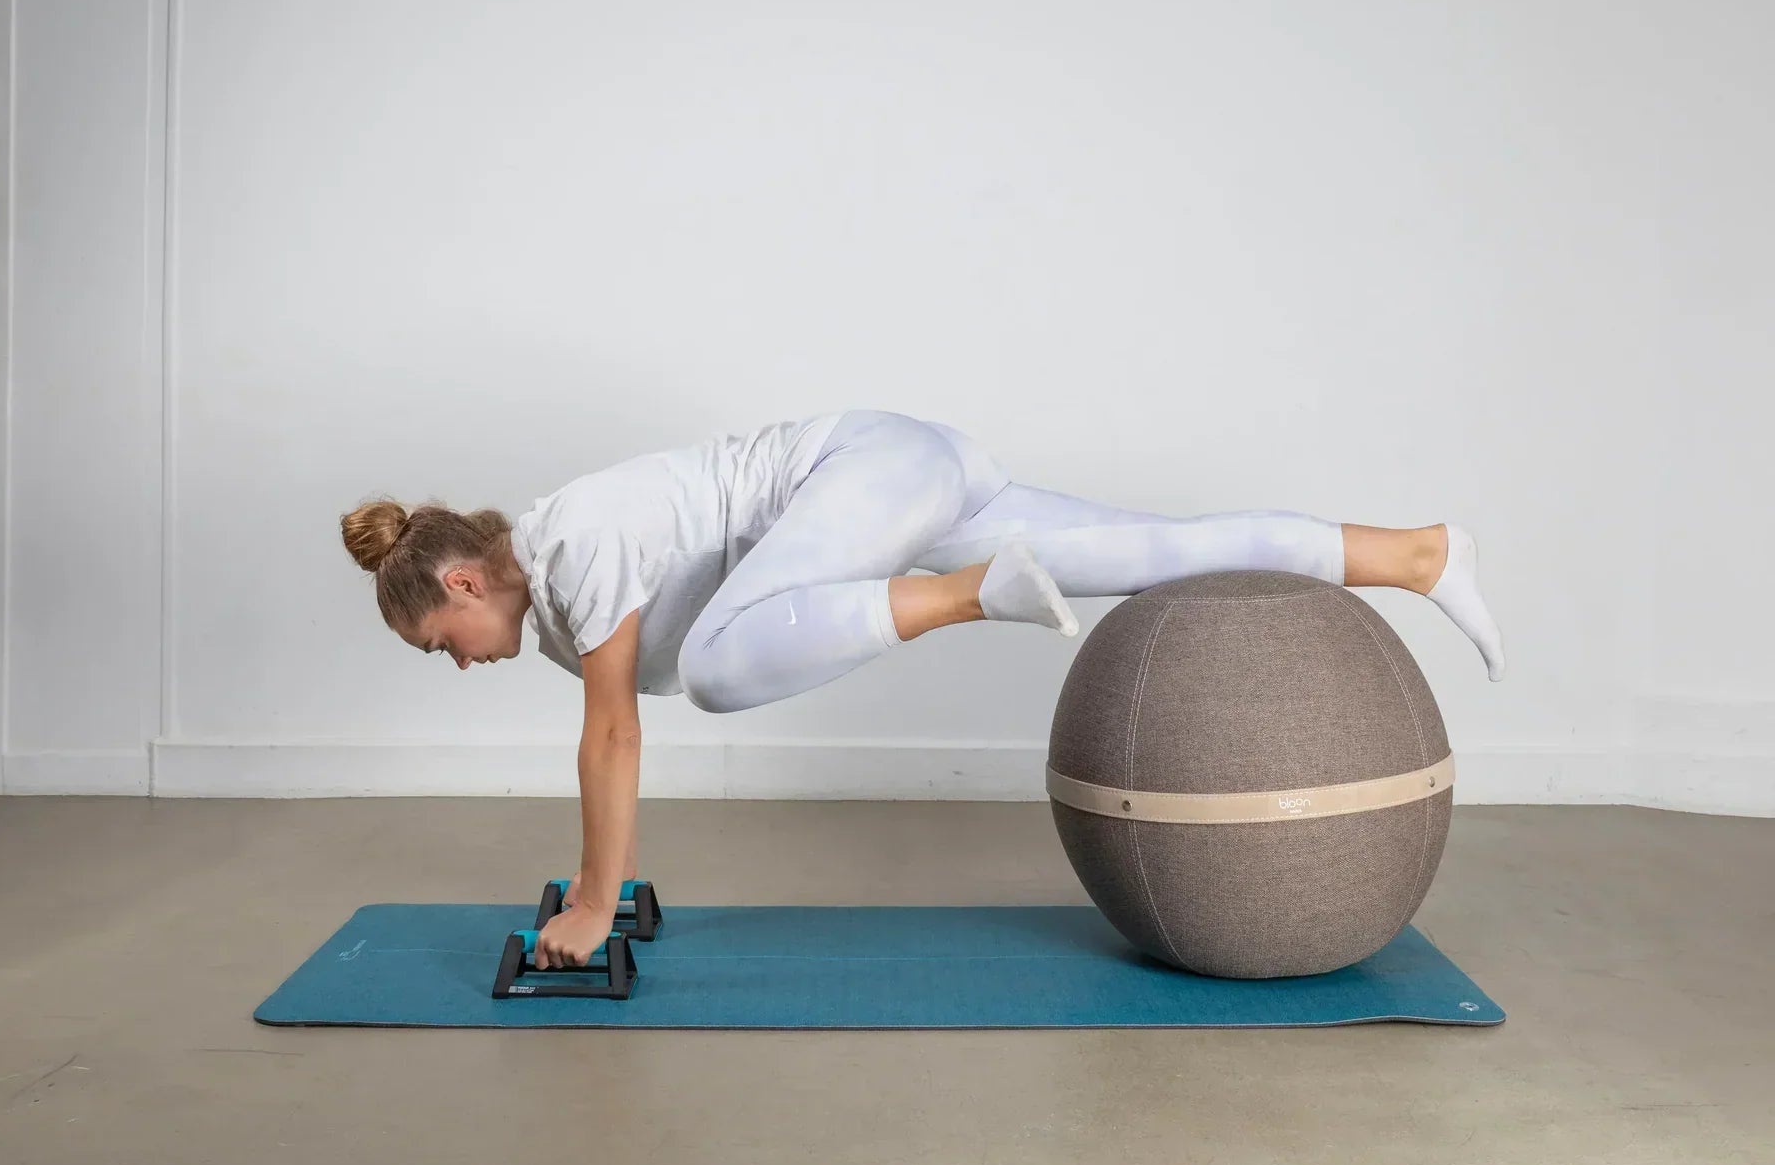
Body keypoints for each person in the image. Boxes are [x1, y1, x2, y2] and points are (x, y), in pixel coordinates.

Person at [339, 407, 1505, 972]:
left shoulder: (569, 545)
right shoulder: (553, 586)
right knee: (1159, 551)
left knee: (718, 670)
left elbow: (610, 738)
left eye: (444, 638)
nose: (460, 661)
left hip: (873, 474)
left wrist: (594, 905)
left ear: (462, 576)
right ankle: (1418, 554)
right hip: (914, 468)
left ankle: (968, 594)